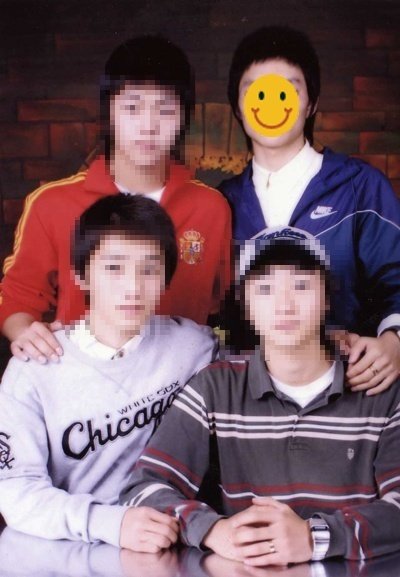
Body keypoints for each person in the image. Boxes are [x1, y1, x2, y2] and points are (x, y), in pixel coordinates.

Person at [120, 229, 400, 565]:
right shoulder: (216, 387)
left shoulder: (380, 389)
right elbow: (143, 490)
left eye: (301, 286)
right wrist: (211, 530)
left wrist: (315, 537)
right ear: (246, 305)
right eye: (265, 289)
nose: (284, 305)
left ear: (327, 298)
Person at [0, 193, 217, 550]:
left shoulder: (194, 347)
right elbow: (15, 490)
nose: (133, 287)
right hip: (68, 548)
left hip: (169, 545)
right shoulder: (34, 367)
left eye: (149, 269)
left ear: (166, 279)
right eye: (114, 268)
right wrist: (111, 523)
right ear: (81, 276)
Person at [0, 35, 231, 364]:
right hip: (86, 380)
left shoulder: (210, 208)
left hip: (183, 382)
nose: (148, 126)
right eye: (132, 107)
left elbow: (219, 302)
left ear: (184, 118)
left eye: (165, 109)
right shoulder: (51, 204)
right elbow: (18, 297)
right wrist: (25, 333)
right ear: (109, 112)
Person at [219, 26, 400, 394]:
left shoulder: (360, 188)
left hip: (351, 391)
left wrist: (394, 340)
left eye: (288, 88)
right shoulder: (221, 204)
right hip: (249, 400)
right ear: (238, 106)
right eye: (255, 90)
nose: (272, 103)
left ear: (311, 103)